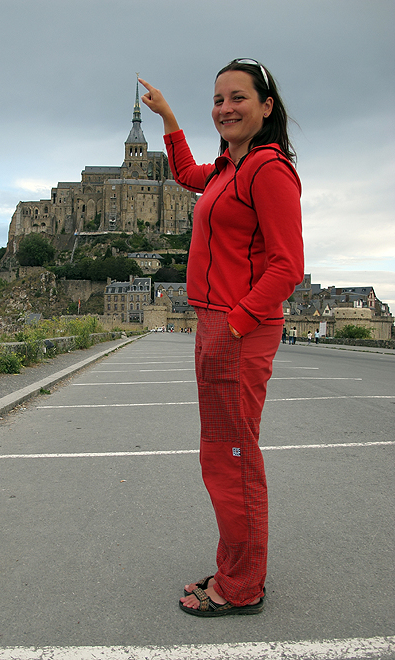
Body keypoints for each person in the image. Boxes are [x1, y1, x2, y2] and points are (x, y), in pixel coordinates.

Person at [140, 59, 303, 617]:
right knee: (221, 455)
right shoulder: (227, 169)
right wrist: (169, 118)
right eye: (217, 100)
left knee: (232, 458)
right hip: (216, 323)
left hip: (239, 328)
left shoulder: (267, 171)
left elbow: (287, 267)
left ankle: (241, 587)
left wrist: (234, 324)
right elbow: (186, 173)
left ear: (266, 107)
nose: (225, 108)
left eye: (238, 98)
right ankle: (236, 568)